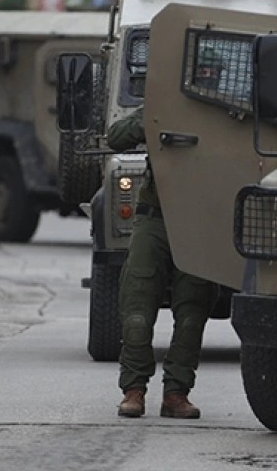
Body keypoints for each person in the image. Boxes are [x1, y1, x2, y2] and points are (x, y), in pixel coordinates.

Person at [111, 50, 224, 418]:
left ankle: (176, 393)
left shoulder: (226, 115)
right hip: (156, 217)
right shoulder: (164, 106)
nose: (204, 76)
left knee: (192, 312)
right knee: (137, 308)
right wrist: (155, 115)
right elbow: (116, 137)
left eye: (211, 71)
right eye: (200, 70)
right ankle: (134, 389)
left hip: (198, 221)